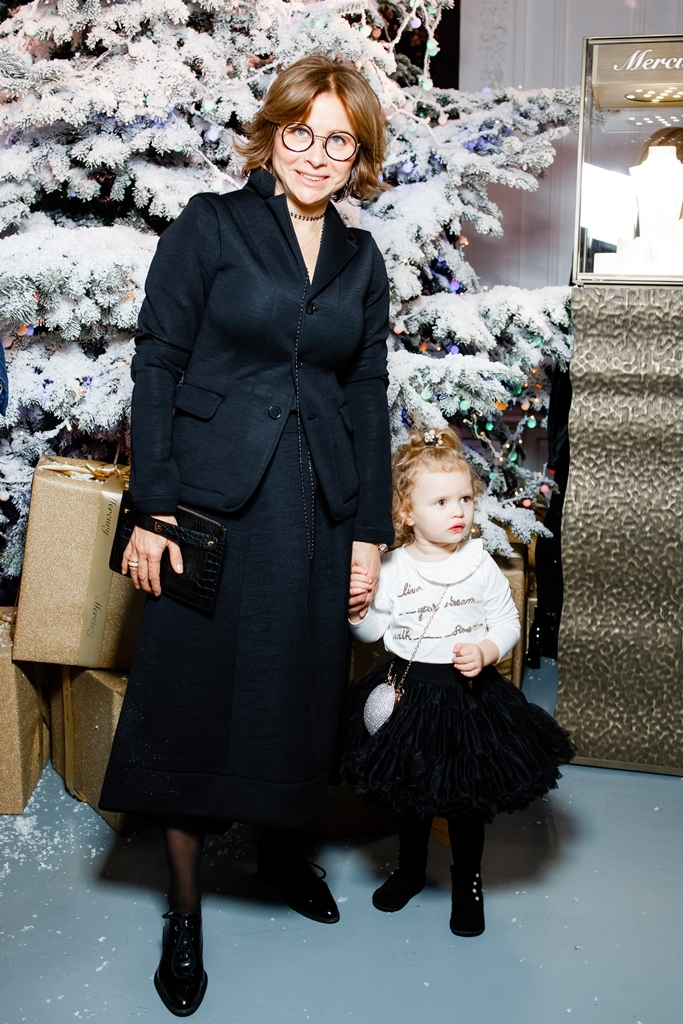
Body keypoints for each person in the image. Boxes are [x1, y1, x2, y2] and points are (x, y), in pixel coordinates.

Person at [99, 54, 394, 1016]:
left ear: (358, 156)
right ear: (272, 136)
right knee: (191, 695)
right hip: (209, 504)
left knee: (295, 691)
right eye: (300, 132)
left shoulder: (361, 260)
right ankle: (184, 912)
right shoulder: (211, 224)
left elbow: (365, 392)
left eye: (337, 140)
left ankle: (278, 848)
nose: (315, 154)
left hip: (315, 507)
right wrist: (152, 511)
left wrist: (368, 533)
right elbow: (157, 361)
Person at [340, 428, 575, 937]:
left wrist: (487, 650)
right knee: (411, 793)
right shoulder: (392, 566)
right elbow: (375, 631)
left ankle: (468, 883)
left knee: (466, 801)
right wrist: (358, 613)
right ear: (406, 511)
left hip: (467, 698)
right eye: (442, 501)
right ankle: (409, 869)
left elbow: (507, 622)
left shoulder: (478, 562)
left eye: (465, 499)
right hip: (408, 694)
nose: (459, 511)